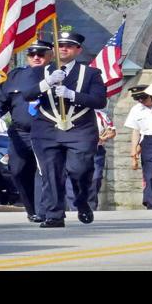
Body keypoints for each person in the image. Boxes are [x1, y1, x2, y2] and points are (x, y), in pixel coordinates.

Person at [29, 30, 106, 228]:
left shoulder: (90, 73)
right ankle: (54, 215)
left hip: (79, 129)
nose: (64, 48)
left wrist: (73, 95)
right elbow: (26, 95)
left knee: (79, 170)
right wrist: (47, 82)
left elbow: (99, 101)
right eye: (60, 45)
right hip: (47, 130)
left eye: (69, 46)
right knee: (51, 173)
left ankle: (82, 201)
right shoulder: (41, 71)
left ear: (78, 50)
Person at [0, 41, 51, 221]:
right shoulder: (15, 76)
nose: (36, 57)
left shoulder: (57, 74)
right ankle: (32, 209)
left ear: (50, 55)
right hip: (20, 133)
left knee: (45, 171)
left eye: (41, 54)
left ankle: (44, 210)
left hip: (48, 133)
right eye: (32, 54)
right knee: (18, 170)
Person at [67, 108, 116, 212]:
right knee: (74, 176)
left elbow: (112, 131)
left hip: (96, 150)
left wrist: (105, 137)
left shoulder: (100, 114)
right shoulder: (73, 113)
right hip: (78, 149)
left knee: (95, 177)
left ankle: (90, 205)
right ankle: (74, 207)